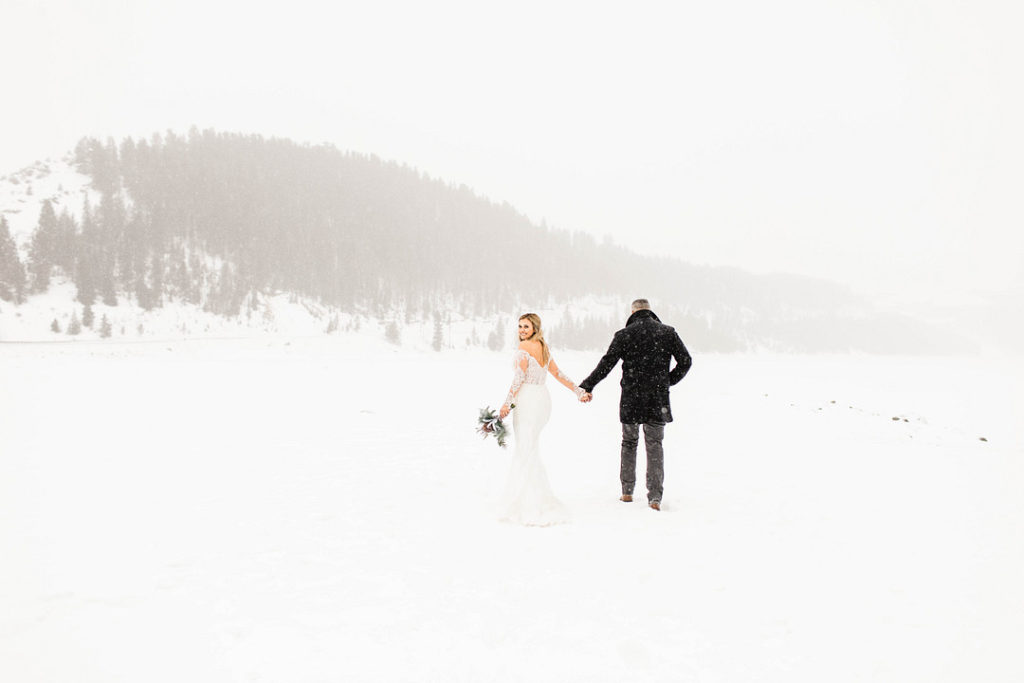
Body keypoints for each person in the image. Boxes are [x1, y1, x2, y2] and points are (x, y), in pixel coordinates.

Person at [578, 299, 692, 511]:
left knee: (629, 442)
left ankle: (627, 492)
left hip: (631, 398)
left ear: (632, 312)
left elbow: (606, 364)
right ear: (650, 311)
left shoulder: (624, 335)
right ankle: (655, 497)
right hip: (657, 399)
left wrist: (588, 385)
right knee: (655, 445)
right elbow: (685, 360)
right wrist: (667, 381)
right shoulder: (667, 333)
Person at [497, 313, 589, 526]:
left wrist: (506, 404)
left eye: (526, 326)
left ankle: (528, 502)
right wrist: (578, 391)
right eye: (520, 326)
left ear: (535, 327)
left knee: (525, 448)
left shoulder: (524, 348)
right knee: (530, 447)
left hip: (528, 399)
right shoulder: (543, 347)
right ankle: (536, 496)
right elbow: (557, 374)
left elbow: (519, 378)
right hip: (542, 399)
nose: (521, 330)